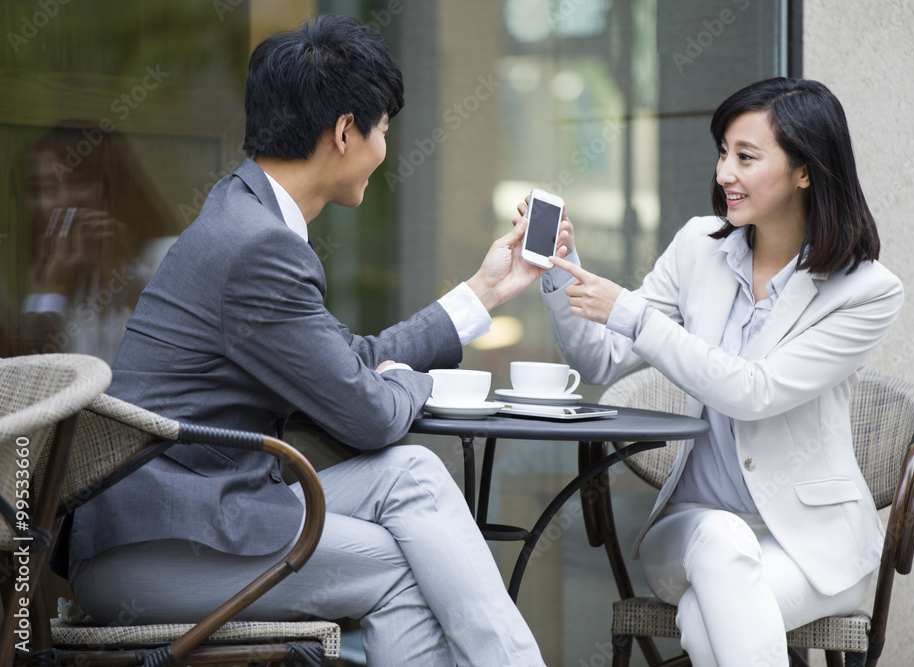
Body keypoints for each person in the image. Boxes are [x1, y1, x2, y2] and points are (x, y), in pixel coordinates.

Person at [62, 16, 556, 667]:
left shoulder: (243, 208)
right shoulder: (259, 246)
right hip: (153, 548)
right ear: (347, 131)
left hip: (202, 507)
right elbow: (372, 414)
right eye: (384, 128)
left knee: (412, 474)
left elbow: (346, 362)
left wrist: (484, 290)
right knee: (403, 565)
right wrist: (423, 381)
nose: (385, 147)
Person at [526, 77, 902, 666]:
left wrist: (634, 315)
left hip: (809, 548)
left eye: (745, 157)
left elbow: (757, 391)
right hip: (691, 532)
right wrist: (558, 270)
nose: (724, 172)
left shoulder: (865, 292)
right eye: (723, 152)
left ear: (805, 170)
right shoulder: (698, 248)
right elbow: (597, 357)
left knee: (708, 622)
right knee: (723, 548)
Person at [9, 122, 176, 363]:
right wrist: (55, 293)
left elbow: (182, 341)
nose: (65, 201)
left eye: (80, 181)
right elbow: (27, 375)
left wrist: (122, 271)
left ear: (116, 187)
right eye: (47, 189)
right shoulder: (53, 280)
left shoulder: (169, 255)